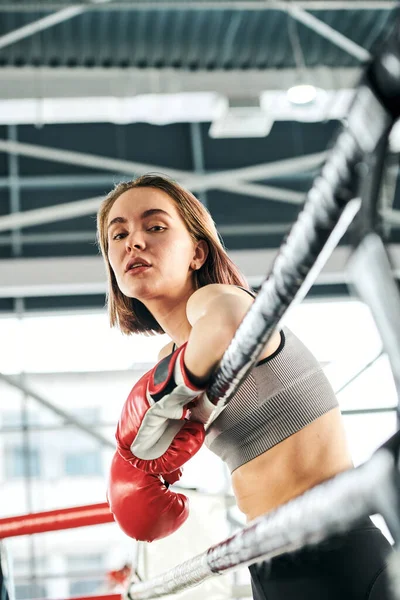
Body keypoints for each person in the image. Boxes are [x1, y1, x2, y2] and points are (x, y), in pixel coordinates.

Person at [97, 174, 393, 600]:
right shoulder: (168, 357)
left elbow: (228, 326)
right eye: (119, 233)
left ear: (197, 252)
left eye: (155, 226)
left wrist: (162, 393)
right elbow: (160, 448)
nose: (134, 242)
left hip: (336, 546)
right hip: (268, 562)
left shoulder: (220, 299)